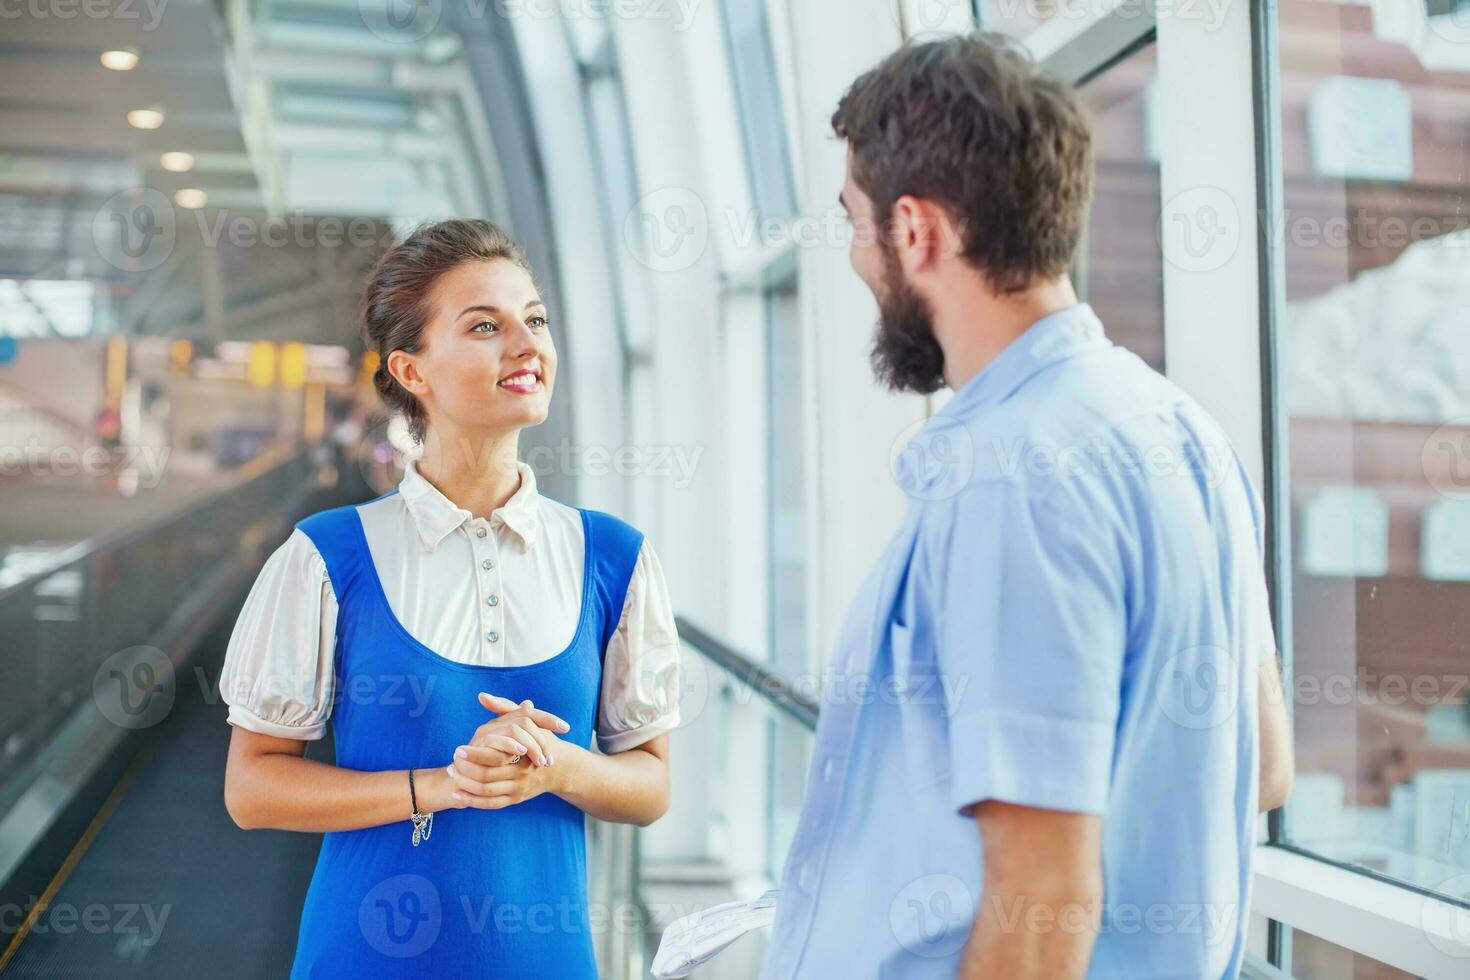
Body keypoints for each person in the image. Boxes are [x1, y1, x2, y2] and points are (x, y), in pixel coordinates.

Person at [758, 34, 1293, 979]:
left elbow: (1044, 903)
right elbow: (1262, 763)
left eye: (854, 220)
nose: (853, 256)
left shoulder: (1012, 476)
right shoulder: (1181, 433)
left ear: (916, 231)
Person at [220, 219, 681, 977]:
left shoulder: (613, 559)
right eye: (484, 326)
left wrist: (554, 767)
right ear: (412, 370)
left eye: (535, 320)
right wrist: (441, 785)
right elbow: (252, 787)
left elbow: (652, 784)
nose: (527, 344)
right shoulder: (328, 557)